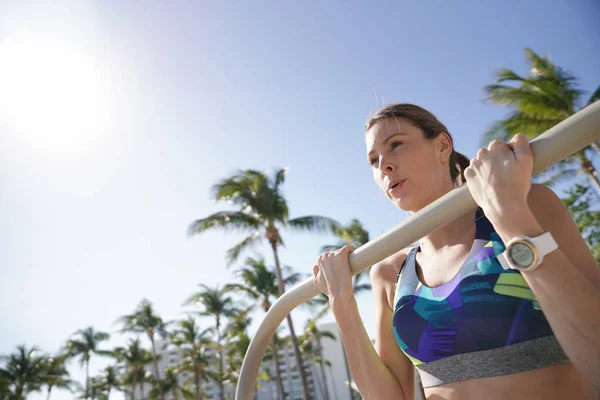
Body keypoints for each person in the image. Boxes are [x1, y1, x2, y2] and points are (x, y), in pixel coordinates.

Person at [312, 103, 600, 400]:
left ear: (442, 145)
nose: (383, 165)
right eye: (373, 160)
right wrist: (341, 303)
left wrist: (510, 217)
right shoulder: (390, 273)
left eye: (396, 144)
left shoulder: (528, 206)